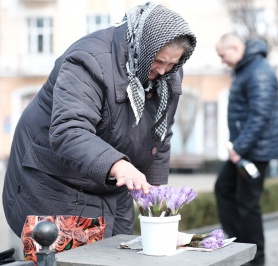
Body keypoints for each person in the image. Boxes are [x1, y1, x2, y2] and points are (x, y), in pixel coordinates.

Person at [2, 1, 196, 239]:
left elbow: (159, 134)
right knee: (66, 261)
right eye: (158, 62)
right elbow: (69, 130)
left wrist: (154, 193)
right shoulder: (88, 60)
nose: (164, 71)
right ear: (142, 48)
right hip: (52, 184)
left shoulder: (167, 75)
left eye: (173, 63)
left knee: (114, 256)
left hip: (109, 185)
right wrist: (118, 165)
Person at [214, 33, 278, 265]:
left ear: (235, 47)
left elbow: (259, 115)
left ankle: (255, 259)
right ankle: (237, 249)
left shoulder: (258, 70)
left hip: (254, 151)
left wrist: (239, 148)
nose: (222, 61)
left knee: (248, 205)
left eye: (223, 55)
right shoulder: (247, 68)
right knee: (224, 189)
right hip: (245, 150)